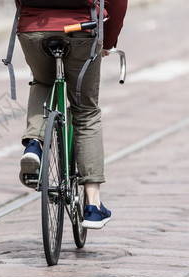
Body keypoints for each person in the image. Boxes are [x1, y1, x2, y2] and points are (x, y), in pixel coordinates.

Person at [17, 0, 128, 229]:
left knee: (43, 82)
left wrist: (29, 17)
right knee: (85, 110)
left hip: (33, 28)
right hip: (82, 29)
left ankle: (34, 146)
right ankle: (93, 206)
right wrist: (107, 41)